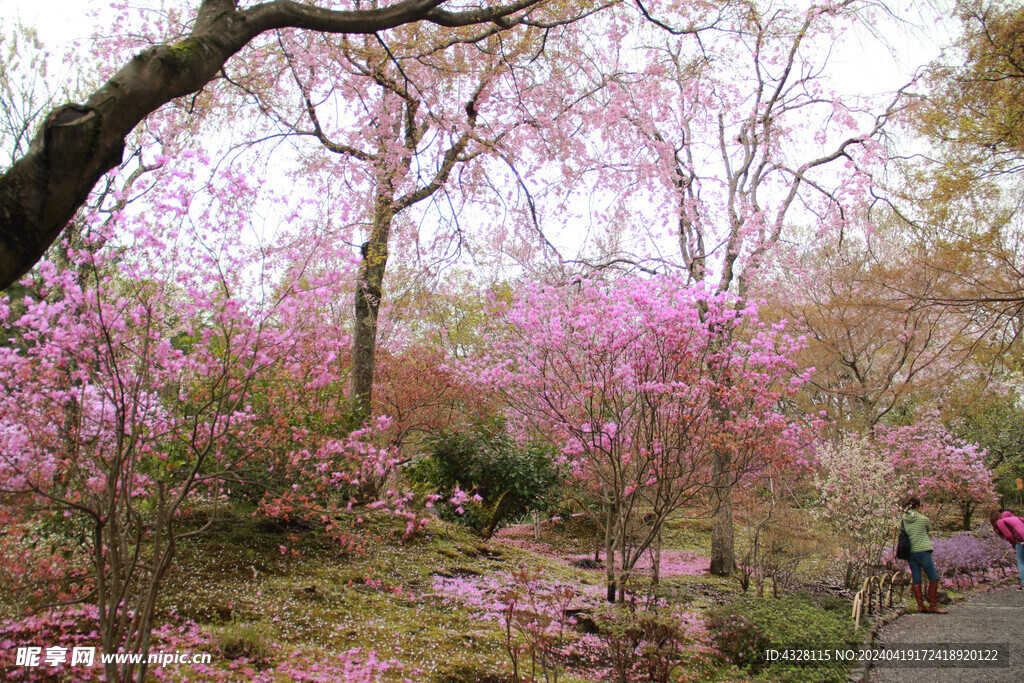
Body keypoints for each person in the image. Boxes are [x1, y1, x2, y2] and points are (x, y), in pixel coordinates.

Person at [900, 497, 947, 614]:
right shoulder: (923, 519)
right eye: (921, 506)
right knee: (933, 577)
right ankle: (933, 606)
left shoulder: (904, 519)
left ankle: (920, 606)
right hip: (923, 551)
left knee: (916, 578)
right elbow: (928, 529)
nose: (922, 508)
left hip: (910, 552)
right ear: (917, 507)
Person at [989, 510, 1024, 590]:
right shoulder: (1016, 518)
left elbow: (1008, 535)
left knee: (1022, 563)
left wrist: (1014, 542)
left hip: (1020, 541)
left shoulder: (1000, 521)